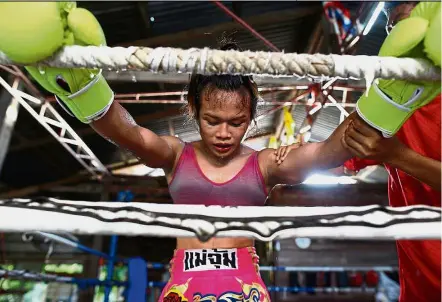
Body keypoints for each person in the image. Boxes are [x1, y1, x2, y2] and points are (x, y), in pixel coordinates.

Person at [275, 2, 441, 301]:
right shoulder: (391, 100)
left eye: (409, 23)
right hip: (421, 284)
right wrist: (260, 163)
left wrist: (396, 156)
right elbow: (329, 156)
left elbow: (381, 152)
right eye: (394, 28)